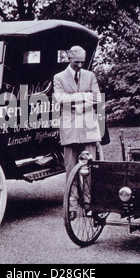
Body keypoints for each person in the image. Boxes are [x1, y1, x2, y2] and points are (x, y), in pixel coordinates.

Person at [53, 45, 102, 180]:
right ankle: (72, 200)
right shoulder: (59, 77)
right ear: (69, 58)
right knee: (71, 168)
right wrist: (84, 96)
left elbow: (97, 98)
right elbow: (60, 98)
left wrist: (74, 103)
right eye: (76, 62)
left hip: (88, 126)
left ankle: (88, 200)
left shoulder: (90, 76)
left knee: (90, 166)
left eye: (82, 62)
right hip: (70, 127)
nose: (80, 65)